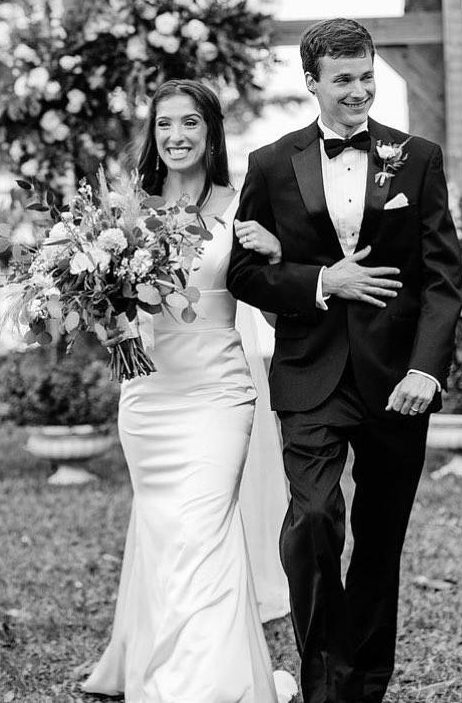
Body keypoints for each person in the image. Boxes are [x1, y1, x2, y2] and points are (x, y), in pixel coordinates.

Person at [226, 18, 462, 703]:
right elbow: (244, 273)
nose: (359, 91)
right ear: (312, 82)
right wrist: (323, 280)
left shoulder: (417, 158)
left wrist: (426, 369)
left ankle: (364, 687)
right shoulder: (271, 163)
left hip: (398, 379)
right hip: (311, 371)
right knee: (312, 521)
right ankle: (324, 679)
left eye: (366, 77)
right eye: (343, 80)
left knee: (380, 540)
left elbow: (442, 278)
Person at [82, 79, 295, 703]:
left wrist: (278, 259)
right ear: (153, 135)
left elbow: (276, 312)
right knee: (163, 532)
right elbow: (108, 314)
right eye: (165, 124)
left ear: (211, 132)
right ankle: (161, 662)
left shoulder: (243, 205)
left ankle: (199, 686)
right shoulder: (126, 211)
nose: (176, 136)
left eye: (190, 123)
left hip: (218, 393)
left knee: (205, 529)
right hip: (148, 396)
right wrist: (104, 314)